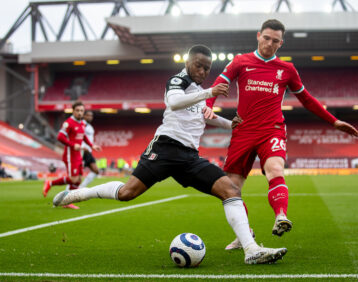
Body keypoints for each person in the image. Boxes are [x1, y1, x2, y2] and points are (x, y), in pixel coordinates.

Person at [53, 45, 287, 264]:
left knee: (230, 191)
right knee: (127, 193)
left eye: (207, 68)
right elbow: (175, 103)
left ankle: (251, 250)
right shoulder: (178, 80)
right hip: (164, 148)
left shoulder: (196, 90)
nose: (203, 71)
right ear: (188, 62)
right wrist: (210, 92)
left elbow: (204, 116)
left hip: (189, 157)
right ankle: (81, 193)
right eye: (199, 65)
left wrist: (230, 125)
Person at [205, 19, 358, 250]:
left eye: (275, 41)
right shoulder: (241, 61)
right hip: (243, 131)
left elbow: (306, 99)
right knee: (231, 188)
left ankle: (281, 216)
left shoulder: (287, 69)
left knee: (275, 170)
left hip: (272, 129)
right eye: (266, 38)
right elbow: (220, 82)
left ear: (281, 43)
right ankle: (245, 234)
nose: (269, 43)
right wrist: (209, 104)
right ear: (258, 36)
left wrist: (334, 121)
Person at [43, 101, 100, 209]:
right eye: (77, 110)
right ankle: (50, 183)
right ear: (73, 111)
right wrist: (73, 145)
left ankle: (68, 202)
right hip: (70, 155)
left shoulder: (82, 123)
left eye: (81, 111)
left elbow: (83, 136)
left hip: (79, 154)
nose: (79, 113)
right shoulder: (68, 123)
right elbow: (60, 137)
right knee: (73, 179)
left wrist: (92, 146)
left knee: (78, 180)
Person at [79, 110, 100, 188]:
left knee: (96, 171)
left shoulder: (90, 127)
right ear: (84, 116)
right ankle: (68, 191)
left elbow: (89, 139)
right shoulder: (81, 124)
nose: (90, 117)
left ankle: (82, 187)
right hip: (82, 151)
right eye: (88, 115)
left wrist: (93, 146)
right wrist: (81, 147)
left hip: (89, 152)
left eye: (91, 116)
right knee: (77, 176)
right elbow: (79, 136)